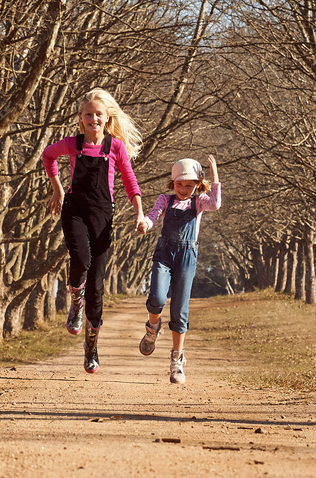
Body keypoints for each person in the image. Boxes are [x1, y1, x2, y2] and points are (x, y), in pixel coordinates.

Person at [42, 88, 145, 373]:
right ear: (81, 118)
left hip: (103, 216)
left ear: (107, 117)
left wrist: (139, 214)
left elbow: (130, 182)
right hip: (74, 209)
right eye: (88, 114)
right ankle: (75, 300)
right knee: (81, 260)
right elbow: (47, 156)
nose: (94, 119)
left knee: (97, 288)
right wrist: (58, 189)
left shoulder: (115, 147)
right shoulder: (72, 144)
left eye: (99, 114)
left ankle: (91, 348)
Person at [137, 155, 221, 384]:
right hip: (164, 253)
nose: (183, 189)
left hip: (187, 256)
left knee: (179, 310)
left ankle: (176, 360)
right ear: (172, 183)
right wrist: (145, 222)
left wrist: (214, 177)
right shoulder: (165, 199)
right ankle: (152, 328)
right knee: (156, 298)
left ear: (197, 185)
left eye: (189, 185)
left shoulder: (200, 202)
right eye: (179, 184)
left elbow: (216, 204)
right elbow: (154, 215)